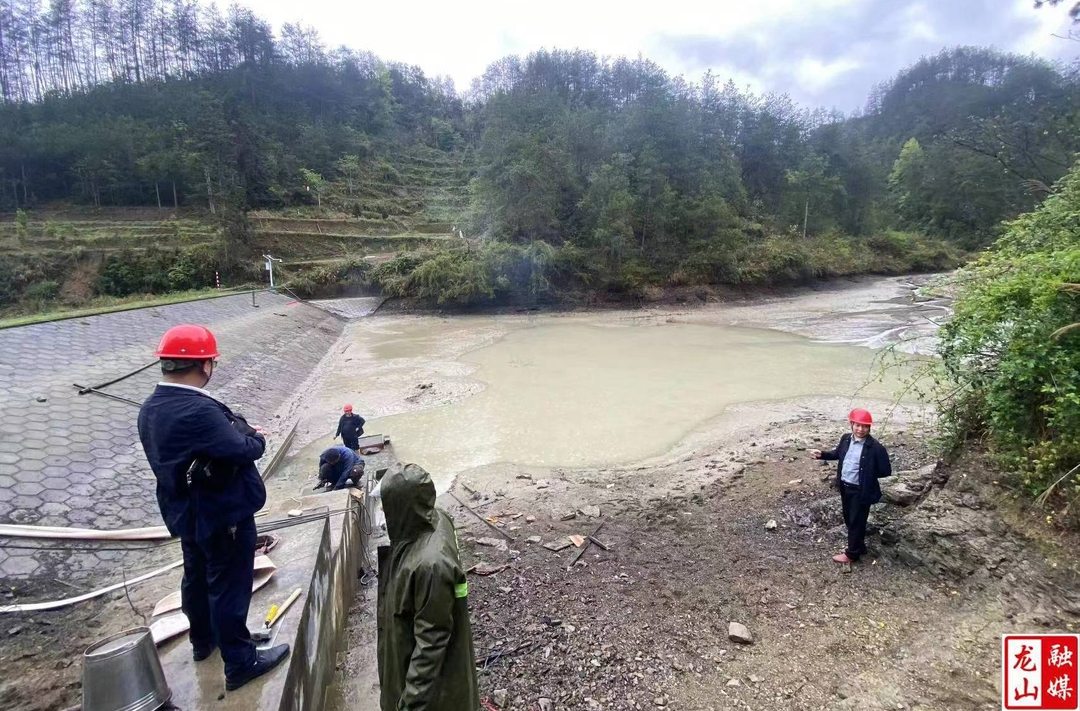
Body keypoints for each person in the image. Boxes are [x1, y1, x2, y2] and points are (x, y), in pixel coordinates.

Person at [137, 324, 290, 691]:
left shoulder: (151, 408)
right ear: (204, 366)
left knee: (196, 578)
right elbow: (244, 449)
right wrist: (255, 436)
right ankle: (240, 661)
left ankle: (204, 641)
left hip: (186, 514)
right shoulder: (197, 410)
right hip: (221, 514)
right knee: (229, 584)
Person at [376, 463, 480, 711]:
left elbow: (430, 645)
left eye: (386, 503)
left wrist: (409, 704)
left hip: (437, 698)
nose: (383, 509)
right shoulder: (437, 518)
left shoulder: (429, 566)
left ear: (400, 506)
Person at [810, 408, 892, 564]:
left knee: (856, 521)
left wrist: (867, 474)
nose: (861, 429)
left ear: (869, 427)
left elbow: (885, 470)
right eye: (858, 425)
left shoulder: (875, 448)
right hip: (845, 486)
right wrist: (822, 454)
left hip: (861, 490)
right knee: (849, 519)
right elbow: (838, 453)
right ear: (851, 424)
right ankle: (859, 546)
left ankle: (852, 554)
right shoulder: (846, 439)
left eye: (865, 426)